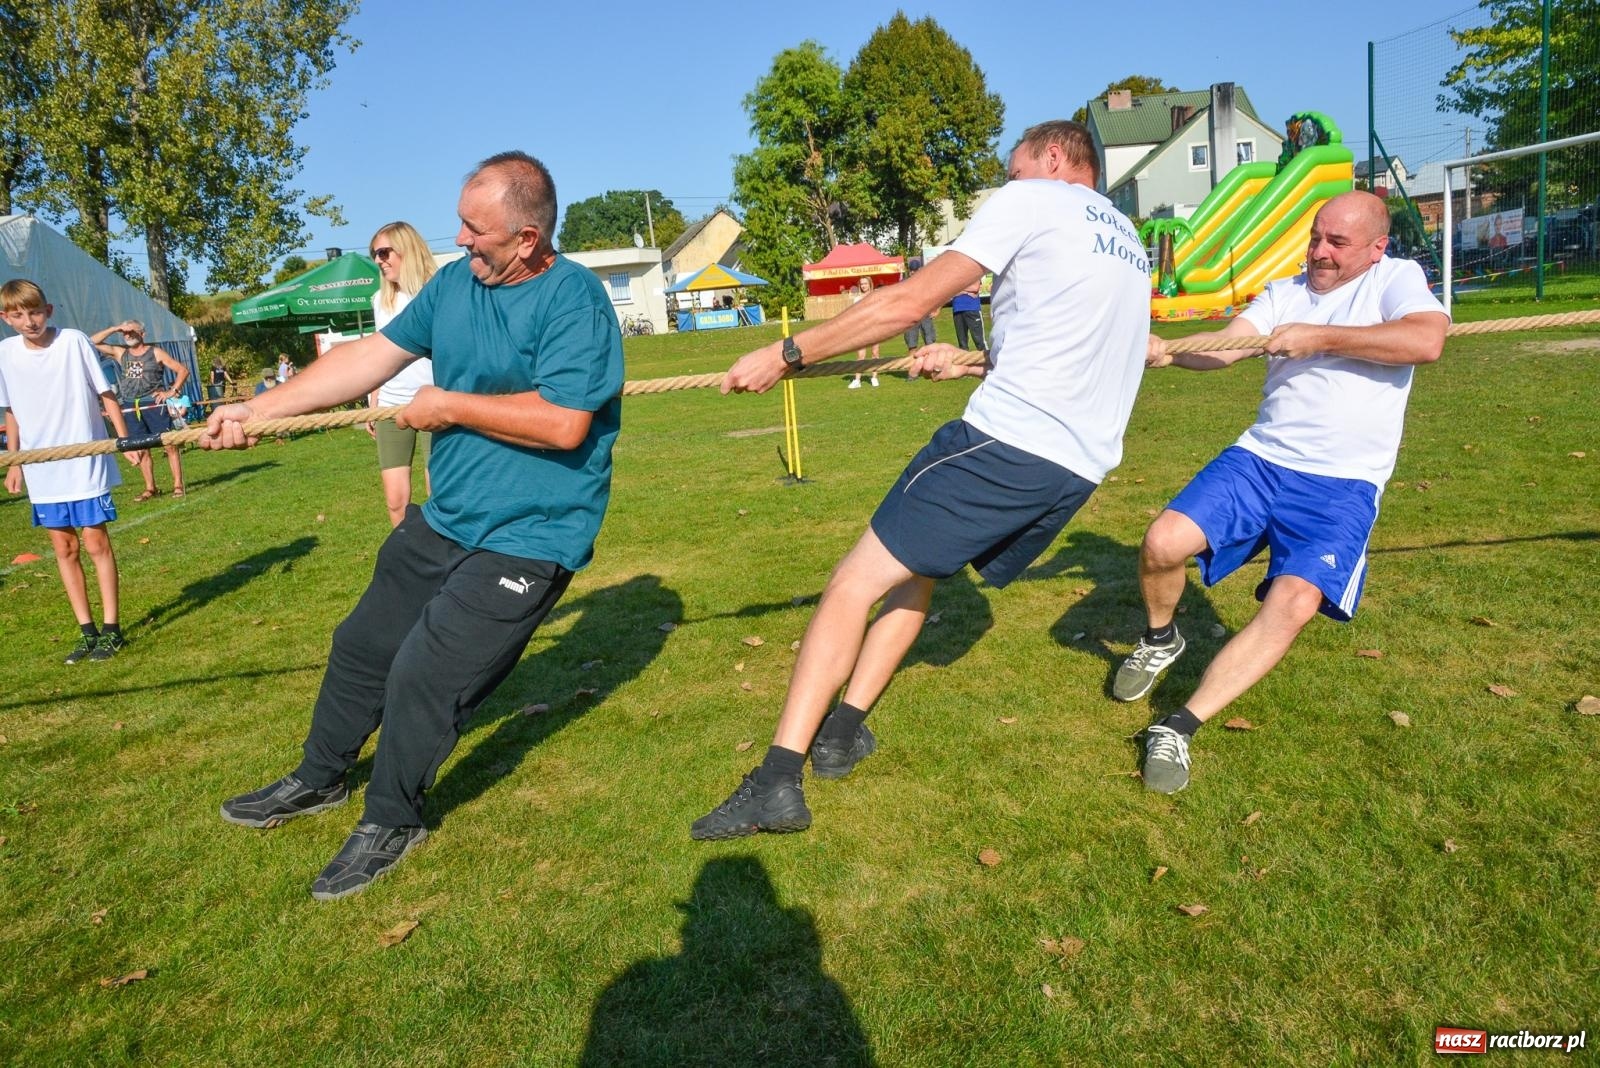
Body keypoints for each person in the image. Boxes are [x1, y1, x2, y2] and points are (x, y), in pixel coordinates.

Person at [692, 120, 1151, 840]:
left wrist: (789, 352)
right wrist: (966, 360)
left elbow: (907, 303)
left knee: (850, 584)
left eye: (1015, 165)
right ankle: (843, 733)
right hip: (1074, 467)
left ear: (1055, 158)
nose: (1008, 177)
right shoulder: (1125, 239)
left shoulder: (1035, 200)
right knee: (919, 567)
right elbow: (1070, 348)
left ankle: (777, 780)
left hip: (1006, 444)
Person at [201, 150, 624, 901]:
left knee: (424, 671)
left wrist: (450, 405)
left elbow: (564, 423)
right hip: (450, 517)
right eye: (460, 221)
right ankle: (317, 778)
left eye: (475, 228)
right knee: (362, 645)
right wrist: (257, 409)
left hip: (532, 532)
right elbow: (369, 357)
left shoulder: (574, 300)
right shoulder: (457, 286)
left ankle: (393, 818)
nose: (460, 240)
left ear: (526, 238)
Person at [1122, 191, 1448, 793]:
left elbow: (1426, 342)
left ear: (1378, 247)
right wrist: (1169, 351)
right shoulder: (1284, 291)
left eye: (1338, 243)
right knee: (1162, 543)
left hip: (1343, 484)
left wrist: (1322, 337)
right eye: (1316, 237)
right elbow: (1230, 347)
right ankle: (1161, 637)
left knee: (1293, 602)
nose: (1320, 253)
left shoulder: (1396, 280)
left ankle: (1178, 725)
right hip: (1260, 460)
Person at [1, 280, 146, 663]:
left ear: (48, 311)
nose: (28, 321)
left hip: (85, 459)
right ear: (5, 318)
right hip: (41, 467)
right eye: (18, 315)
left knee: (96, 543)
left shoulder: (73, 341)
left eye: (34, 312)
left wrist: (123, 441)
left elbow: (106, 393)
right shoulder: (5, 353)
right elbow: (11, 410)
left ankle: (112, 629)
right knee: (64, 549)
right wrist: (14, 462)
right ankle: (87, 631)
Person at [365, 221, 439, 526]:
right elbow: (377, 357)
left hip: (434, 402)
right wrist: (373, 401)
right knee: (395, 500)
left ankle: (444, 558)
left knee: (440, 493)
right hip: (391, 405)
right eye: (374, 255)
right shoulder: (380, 301)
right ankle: (405, 560)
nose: (379, 261)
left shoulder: (434, 292)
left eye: (384, 252)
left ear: (406, 250)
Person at [90, 319, 188, 500]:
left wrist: (171, 391)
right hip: (130, 406)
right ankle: (150, 488)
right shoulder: (121, 353)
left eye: (132, 332)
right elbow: (92, 342)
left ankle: (177, 485)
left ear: (142, 334)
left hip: (153, 404)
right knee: (141, 448)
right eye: (125, 333)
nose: (128, 335)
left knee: (169, 445)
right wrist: (115, 328)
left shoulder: (155, 352)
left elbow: (182, 370)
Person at [848, 277, 880, 389]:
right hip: (861, 329)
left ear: (870, 284)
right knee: (861, 355)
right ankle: (857, 380)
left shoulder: (876, 296)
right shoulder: (857, 299)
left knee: (875, 353)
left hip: (875, 327)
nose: (863, 286)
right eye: (861, 284)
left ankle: (874, 377)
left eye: (865, 283)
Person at [900, 256, 937, 353]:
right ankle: (913, 366)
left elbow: (936, 295)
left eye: (915, 270)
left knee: (930, 342)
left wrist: (937, 309)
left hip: (925, 313)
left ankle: (932, 367)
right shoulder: (904, 283)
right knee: (912, 344)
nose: (913, 272)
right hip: (910, 315)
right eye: (911, 270)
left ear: (920, 269)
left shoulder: (927, 282)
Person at [952, 279, 986, 352]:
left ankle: (987, 362)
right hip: (957, 309)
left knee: (980, 342)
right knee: (962, 344)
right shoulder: (954, 275)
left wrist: (959, 289)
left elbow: (975, 288)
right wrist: (967, 291)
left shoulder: (973, 272)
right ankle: (965, 363)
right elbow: (951, 291)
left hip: (972, 308)